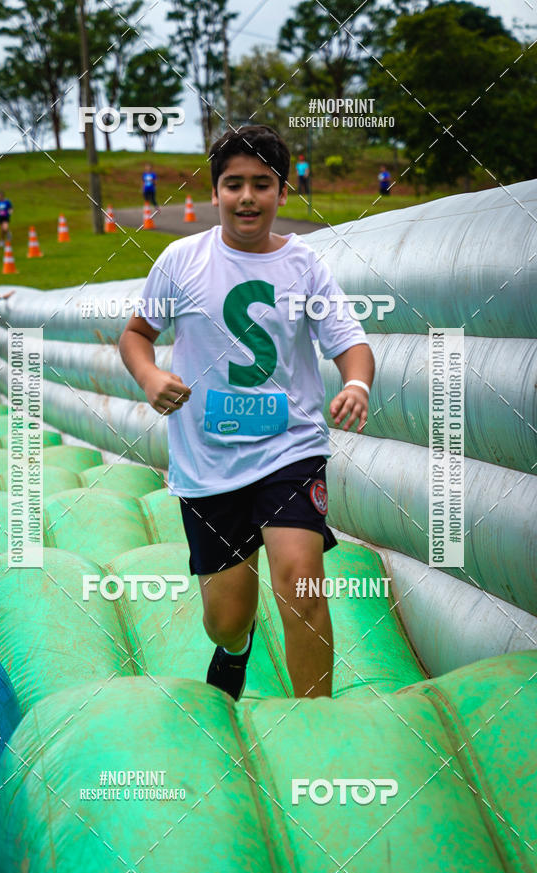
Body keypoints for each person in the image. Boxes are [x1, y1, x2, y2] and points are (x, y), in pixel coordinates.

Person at [119, 125, 374, 701]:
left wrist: (356, 383)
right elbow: (136, 334)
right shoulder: (181, 259)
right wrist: (151, 375)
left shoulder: (305, 266)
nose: (248, 197)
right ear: (215, 193)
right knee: (226, 618)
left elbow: (349, 343)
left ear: (283, 193)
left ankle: (317, 724)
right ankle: (235, 650)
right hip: (207, 461)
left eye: (263, 184)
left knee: (300, 582)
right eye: (234, 184)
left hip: (290, 447)